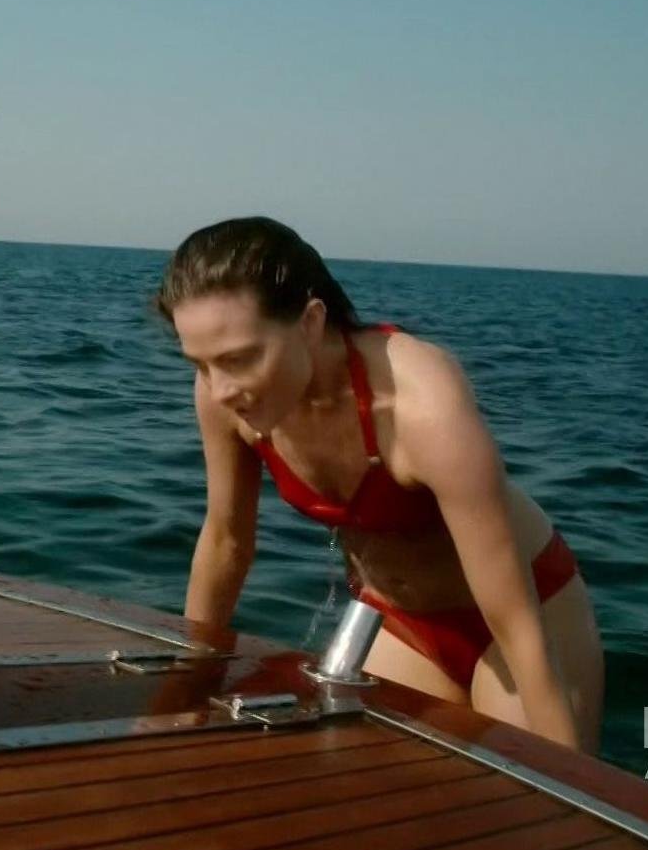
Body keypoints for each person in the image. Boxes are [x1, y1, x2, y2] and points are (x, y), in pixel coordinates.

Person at [151, 217, 604, 753]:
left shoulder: (421, 404)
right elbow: (226, 542)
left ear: (310, 322)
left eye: (240, 359)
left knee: (528, 786)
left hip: (523, 617)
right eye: (200, 364)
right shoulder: (223, 398)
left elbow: (515, 618)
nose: (221, 389)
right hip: (406, 626)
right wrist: (187, 683)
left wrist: (568, 777)